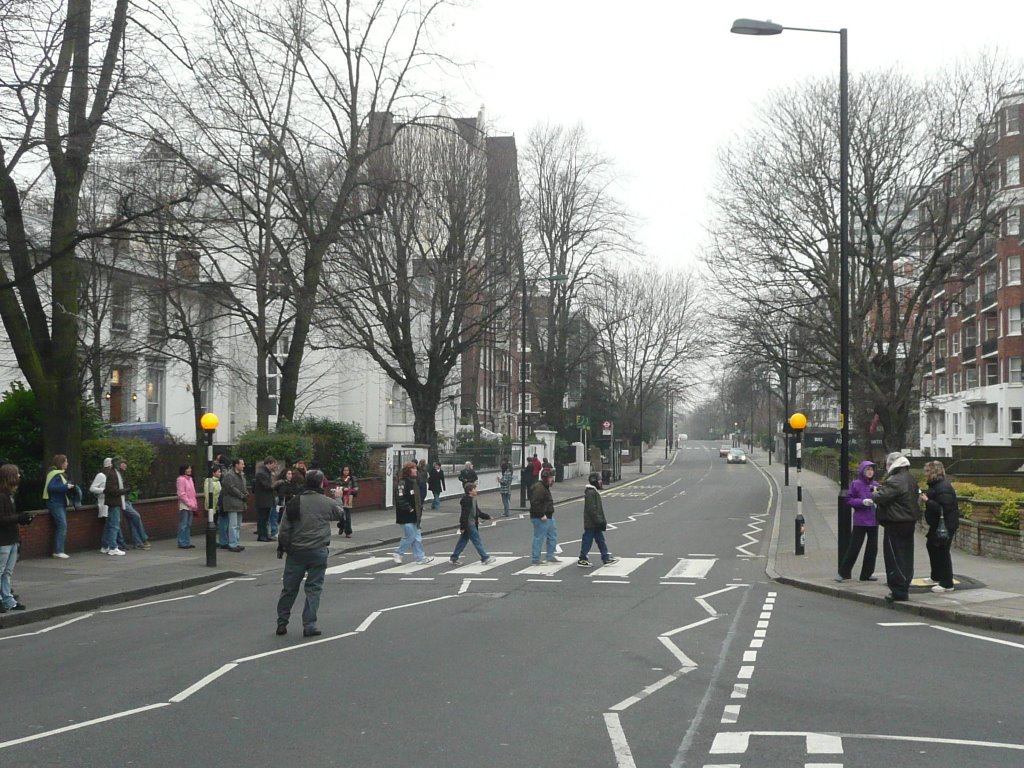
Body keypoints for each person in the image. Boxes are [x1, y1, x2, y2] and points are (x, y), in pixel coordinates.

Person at [275, 469, 347, 637]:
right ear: (321, 484)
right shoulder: (326, 502)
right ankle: (310, 624)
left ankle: (281, 622)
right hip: (318, 551)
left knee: (289, 588)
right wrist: (338, 496)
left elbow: (284, 530)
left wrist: (285, 547)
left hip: (296, 552)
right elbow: (340, 514)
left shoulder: (294, 502)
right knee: (313, 589)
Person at [872, 452, 923, 603]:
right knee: (907, 555)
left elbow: (882, 497)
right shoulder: (910, 478)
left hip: (895, 522)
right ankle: (905, 584)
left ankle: (898, 589)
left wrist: (875, 493)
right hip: (909, 522)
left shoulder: (895, 480)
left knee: (895, 556)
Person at [835, 461, 880, 582]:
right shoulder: (856, 484)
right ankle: (843, 572)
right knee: (854, 547)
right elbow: (848, 500)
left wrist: (877, 501)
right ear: (862, 471)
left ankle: (867, 574)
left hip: (874, 520)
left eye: (872, 469)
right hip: (860, 521)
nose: (870, 472)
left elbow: (881, 499)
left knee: (872, 549)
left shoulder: (876, 485)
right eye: (868, 469)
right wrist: (862, 502)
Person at [921, 460, 960, 594]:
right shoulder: (936, 485)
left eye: (926, 471)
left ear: (933, 472)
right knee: (931, 546)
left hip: (945, 525)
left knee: (942, 551)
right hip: (938, 524)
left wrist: (927, 501)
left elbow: (945, 508)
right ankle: (936, 576)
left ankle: (947, 583)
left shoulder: (943, 487)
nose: (924, 474)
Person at [0, 464, 31, 613]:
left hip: (12, 539)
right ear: (10, 476)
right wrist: (18, 518)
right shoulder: (1, 496)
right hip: (3, 541)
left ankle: (8, 600)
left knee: (7, 573)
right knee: (1, 572)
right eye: (17, 474)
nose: (19, 476)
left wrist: (22, 519)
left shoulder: (10, 495)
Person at [392, 462, 432, 564]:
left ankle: (420, 558)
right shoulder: (402, 483)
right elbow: (399, 498)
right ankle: (398, 553)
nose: (416, 470)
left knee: (417, 537)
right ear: (408, 471)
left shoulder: (415, 482)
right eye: (413, 469)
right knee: (410, 536)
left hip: (416, 515)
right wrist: (409, 508)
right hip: (405, 515)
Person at [449, 482, 496, 565]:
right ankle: (485, 558)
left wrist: (487, 516)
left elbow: (477, 512)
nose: (476, 490)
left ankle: (454, 557)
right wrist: (462, 527)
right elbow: (464, 514)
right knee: (477, 541)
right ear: (470, 491)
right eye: (474, 489)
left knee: (462, 541)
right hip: (469, 525)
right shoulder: (467, 501)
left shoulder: (473, 499)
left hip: (471, 524)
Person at [578, 472, 618, 567]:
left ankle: (605, 558)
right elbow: (592, 509)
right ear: (595, 481)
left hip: (594, 523)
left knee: (600, 540)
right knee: (587, 540)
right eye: (599, 480)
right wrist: (599, 520)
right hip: (592, 523)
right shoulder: (591, 493)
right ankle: (583, 558)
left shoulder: (593, 492)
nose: (601, 482)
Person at [43, 454, 76, 559]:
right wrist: (66, 486)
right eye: (66, 462)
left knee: (61, 525)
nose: (67, 464)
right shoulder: (55, 474)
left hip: (60, 503)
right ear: (61, 463)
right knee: (62, 525)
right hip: (55, 503)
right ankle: (58, 550)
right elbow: (51, 487)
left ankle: (59, 550)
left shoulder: (58, 474)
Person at [117, 457, 150, 550]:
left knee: (132, 521)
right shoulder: (117, 475)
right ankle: (143, 538)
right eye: (123, 463)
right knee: (136, 516)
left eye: (125, 463)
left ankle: (138, 543)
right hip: (122, 501)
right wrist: (127, 489)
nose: (125, 465)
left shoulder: (124, 474)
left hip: (127, 500)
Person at [101, 456, 129, 556]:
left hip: (113, 502)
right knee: (114, 525)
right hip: (114, 502)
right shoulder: (113, 474)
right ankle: (113, 547)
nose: (122, 464)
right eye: (120, 463)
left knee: (109, 524)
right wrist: (124, 491)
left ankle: (105, 546)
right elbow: (111, 490)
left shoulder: (114, 473)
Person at [529, 469, 558, 564]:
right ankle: (535, 558)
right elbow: (535, 503)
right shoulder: (539, 488)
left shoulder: (544, 487)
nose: (552, 480)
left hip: (548, 516)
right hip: (541, 517)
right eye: (551, 477)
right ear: (546, 478)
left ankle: (550, 556)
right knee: (539, 538)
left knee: (552, 536)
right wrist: (541, 515)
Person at [220, 458, 247, 553]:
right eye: (242, 464)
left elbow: (243, 486)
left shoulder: (242, 475)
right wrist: (242, 495)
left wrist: (245, 493)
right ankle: (232, 544)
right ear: (236, 465)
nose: (243, 466)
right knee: (233, 525)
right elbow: (231, 488)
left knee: (238, 525)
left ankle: (236, 542)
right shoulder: (229, 475)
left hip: (240, 502)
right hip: (232, 502)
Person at [254, 456, 278, 542]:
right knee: (262, 519)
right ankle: (262, 535)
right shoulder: (262, 473)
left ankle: (265, 535)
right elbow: (267, 486)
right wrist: (276, 485)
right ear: (268, 464)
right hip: (263, 500)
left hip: (266, 499)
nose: (274, 466)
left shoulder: (266, 472)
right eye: (273, 464)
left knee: (265, 519)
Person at [175, 464, 198, 549]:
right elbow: (181, 494)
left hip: (191, 505)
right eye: (188, 468)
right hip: (184, 505)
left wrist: (194, 504)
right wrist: (189, 503)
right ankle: (181, 542)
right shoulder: (180, 479)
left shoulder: (190, 479)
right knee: (183, 524)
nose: (190, 469)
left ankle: (187, 542)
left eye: (190, 468)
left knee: (188, 524)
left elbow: (193, 493)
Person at [207, 465, 228, 548]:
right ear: (213, 473)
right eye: (218, 472)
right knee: (213, 524)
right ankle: (212, 541)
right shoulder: (209, 482)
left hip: (218, 506)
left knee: (217, 524)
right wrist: (211, 507)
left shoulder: (218, 482)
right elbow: (209, 495)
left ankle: (217, 541)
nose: (220, 473)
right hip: (213, 507)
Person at [335, 466, 358, 537]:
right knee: (341, 514)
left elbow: (356, 488)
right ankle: (341, 526)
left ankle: (348, 532)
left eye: (347, 470)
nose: (346, 472)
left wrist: (352, 490)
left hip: (348, 497)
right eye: (344, 470)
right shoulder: (339, 479)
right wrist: (343, 488)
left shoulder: (352, 478)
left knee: (347, 515)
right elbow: (337, 487)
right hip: (340, 497)